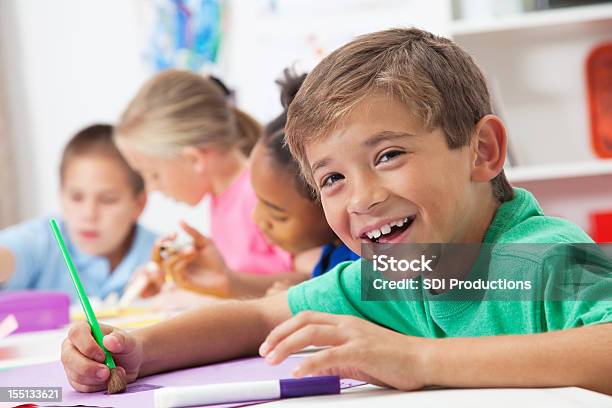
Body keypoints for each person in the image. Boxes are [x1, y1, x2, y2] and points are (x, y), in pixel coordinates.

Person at [60, 29, 612, 394]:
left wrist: (415, 360)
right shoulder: (406, 271)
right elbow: (258, 318)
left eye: (389, 155)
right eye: (332, 179)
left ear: (482, 151)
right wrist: (138, 350)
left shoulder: (543, 256)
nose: (361, 197)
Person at [151, 69, 359, 298]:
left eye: (278, 215)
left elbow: (384, 306)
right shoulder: (336, 261)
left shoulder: (381, 262)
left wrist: (297, 299)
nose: (256, 219)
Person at [113, 70, 293, 288]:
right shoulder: (222, 201)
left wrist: (226, 286)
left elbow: (315, 278)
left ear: (194, 159)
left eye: (153, 175)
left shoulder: (257, 193)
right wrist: (180, 282)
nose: (150, 189)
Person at [0, 124, 156, 301]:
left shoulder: (160, 256)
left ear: (139, 204)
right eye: (76, 197)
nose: (89, 214)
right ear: (60, 195)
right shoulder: (41, 242)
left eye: (107, 200)